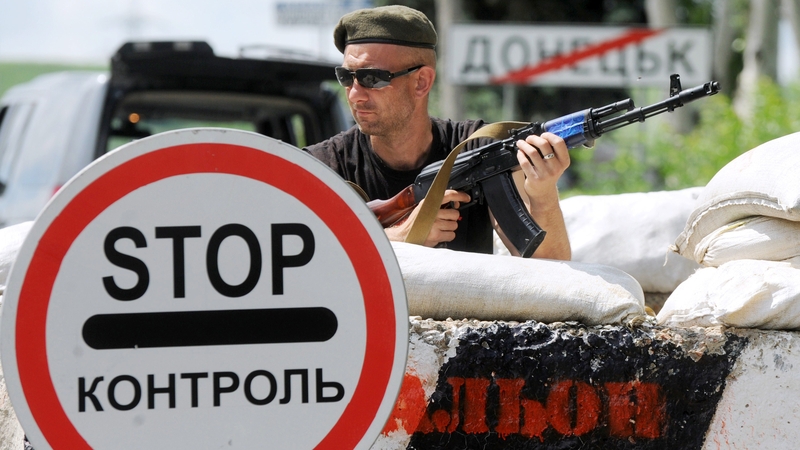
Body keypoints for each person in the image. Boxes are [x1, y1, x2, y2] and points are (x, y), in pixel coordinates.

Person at [304, 5, 571, 260]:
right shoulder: (321, 167)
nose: (354, 94)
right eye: (346, 77)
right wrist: (396, 237)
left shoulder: (477, 147)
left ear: (421, 82)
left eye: (371, 79)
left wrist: (544, 194)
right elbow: (299, 261)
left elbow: (551, 266)